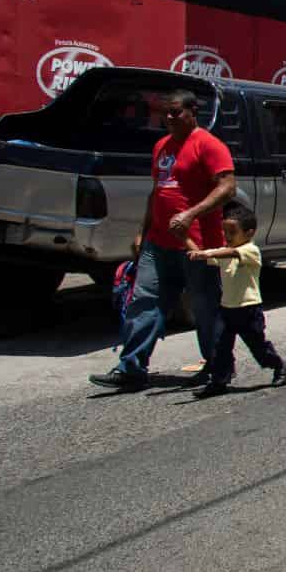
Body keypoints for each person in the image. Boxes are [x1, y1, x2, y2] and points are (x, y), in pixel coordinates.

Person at [90, 89, 234, 390]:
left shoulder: (209, 146)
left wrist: (191, 214)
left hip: (197, 244)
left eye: (175, 112)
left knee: (204, 307)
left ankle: (218, 367)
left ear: (193, 112)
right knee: (144, 302)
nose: (168, 118)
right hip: (158, 242)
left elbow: (227, 188)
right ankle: (131, 368)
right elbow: (157, 192)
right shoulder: (161, 147)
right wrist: (143, 231)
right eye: (165, 113)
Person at [190, 204, 286, 396]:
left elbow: (226, 254)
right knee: (220, 348)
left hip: (248, 310)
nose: (227, 236)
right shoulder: (225, 251)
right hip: (227, 309)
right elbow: (202, 256)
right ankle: (219, 381)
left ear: (249, 232)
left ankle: (280, 365)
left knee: (259, 348)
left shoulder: (250, 250)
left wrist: (208, 252)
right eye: (225, 231)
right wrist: (184, 237)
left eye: (232, 232)